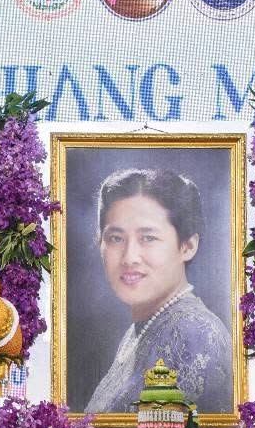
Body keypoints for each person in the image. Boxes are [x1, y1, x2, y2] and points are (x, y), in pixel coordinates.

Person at [85, 168, 233, 414]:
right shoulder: (144, 328)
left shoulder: (193, 333)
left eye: (148, 238)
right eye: (116, 238)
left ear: (187, 246)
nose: (129, 257)